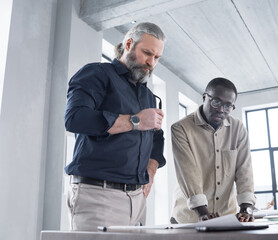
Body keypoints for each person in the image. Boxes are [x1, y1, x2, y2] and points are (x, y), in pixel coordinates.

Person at [64, 22, 166, 231]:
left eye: (156, 58)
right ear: (129, 44)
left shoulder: (147, 94)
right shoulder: (96, 73)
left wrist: (151, 170)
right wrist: (135, 121)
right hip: (97, 195)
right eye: (147, 53)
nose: (151, 63)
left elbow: (156, 137)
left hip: (138, 200)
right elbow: (75, 118)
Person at [170, 77, 256, 224]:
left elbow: (244, 171)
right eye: (216, 102)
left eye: (228, 106)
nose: (221, 110)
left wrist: (245, 209)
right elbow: (188, 174)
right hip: (189, 219)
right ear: (205, 97)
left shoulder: (238, 129)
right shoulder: (181, 129)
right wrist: (203, 213)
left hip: (227, 217)